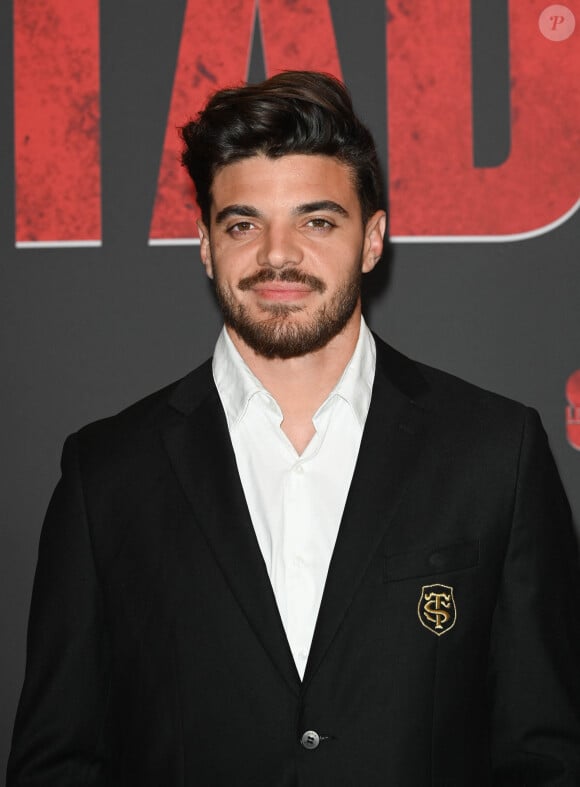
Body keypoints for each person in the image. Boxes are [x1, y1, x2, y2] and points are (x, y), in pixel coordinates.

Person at [7, 71, 580, 786]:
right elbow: (56, 763)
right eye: (244, 224)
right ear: (206, 244)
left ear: (372, 239)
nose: (278, 255)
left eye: (316, 221)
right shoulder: (108, 473)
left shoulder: (496, 451)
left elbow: (546, 754)